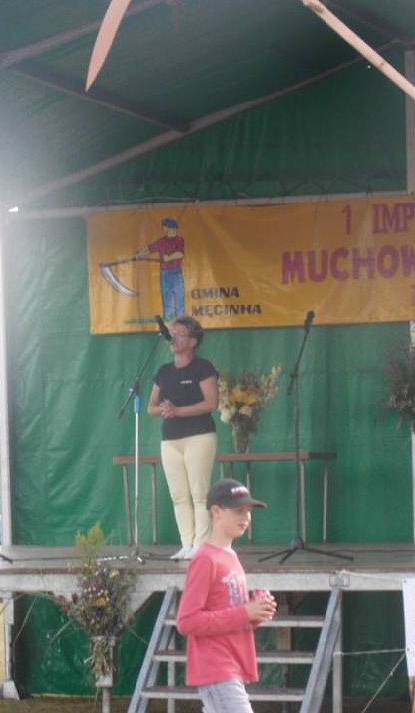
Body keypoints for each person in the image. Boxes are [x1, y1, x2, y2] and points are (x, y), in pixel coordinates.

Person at [176, 479, 277, 713]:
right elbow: (186, 621)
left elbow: (230, 611)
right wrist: (245, 612)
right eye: (239, 510)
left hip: (231, 665)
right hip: (217, 667)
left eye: (248, 511)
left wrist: (256, 611)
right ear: (216, 512)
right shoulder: (205, 559)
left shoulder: (230, 556)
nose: (246, 517)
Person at [148, 316, 219, 560]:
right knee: (179, 495)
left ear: (193, 341)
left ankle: (201, 544)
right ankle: (186, 543)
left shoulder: (203, 367)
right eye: (171, 333)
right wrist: (165, 409)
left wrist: (178, 411)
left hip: (199, 436)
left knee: (199, 493)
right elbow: (151, 407)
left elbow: (211, 403)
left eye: (179, 333)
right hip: (170, 440)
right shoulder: (164, 372)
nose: (173, 337)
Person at [136, 217, 186, 320]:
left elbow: (180, 253)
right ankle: (168, 320)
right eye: (164, 228)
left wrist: (169, 258)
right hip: (165, 274)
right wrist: (140, 254)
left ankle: (181, 321)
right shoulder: (162, 241)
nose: (164, 229)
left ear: (171, 228)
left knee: (179, 299)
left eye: (165, 227)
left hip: (176, 273)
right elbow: (150, 248)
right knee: (167, 299)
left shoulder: (179, 240)